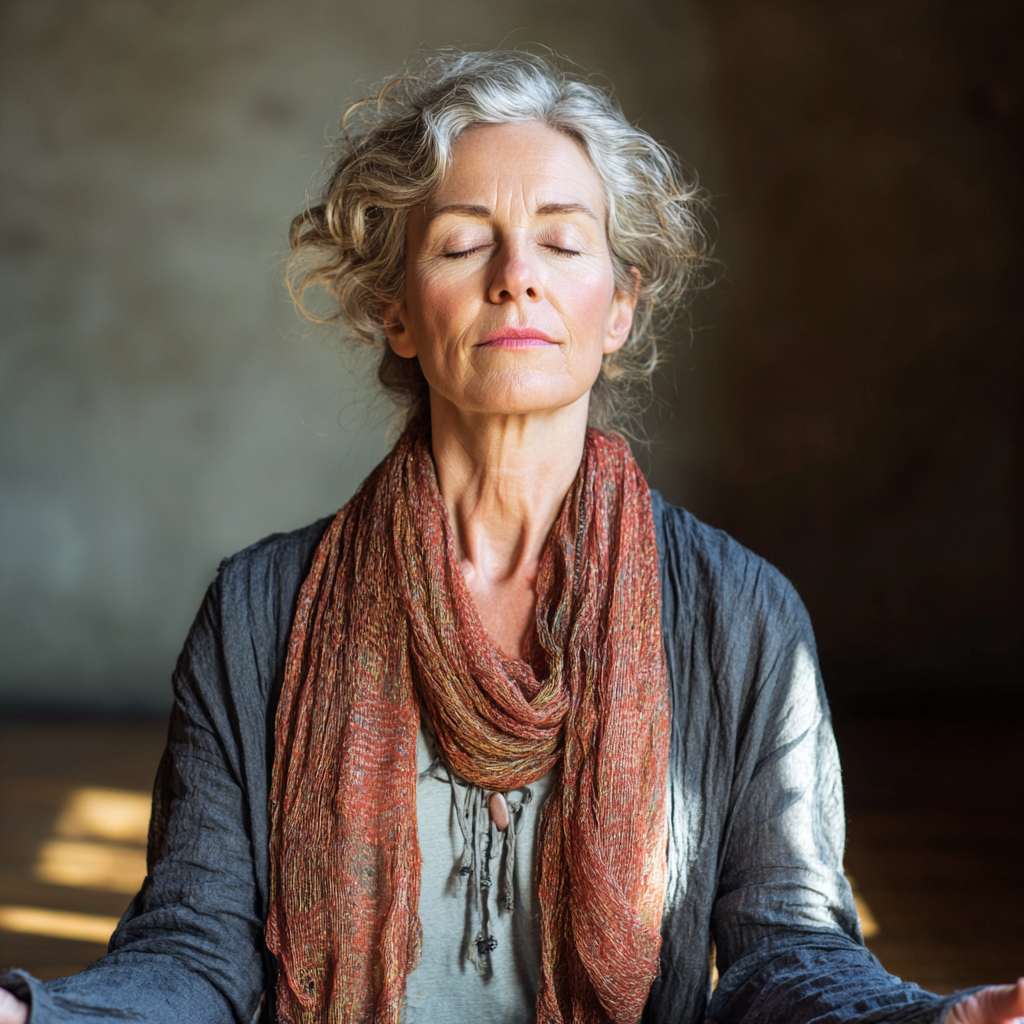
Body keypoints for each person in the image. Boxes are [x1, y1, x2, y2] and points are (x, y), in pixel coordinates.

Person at [1, 49, 1021, 1024]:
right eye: (460, 243)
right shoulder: (257, 614)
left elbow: (785, 953)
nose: (514, 275)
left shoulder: (742, 616)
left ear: (617, 308)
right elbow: (192, 953)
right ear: (398, 313)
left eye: (564, 242)